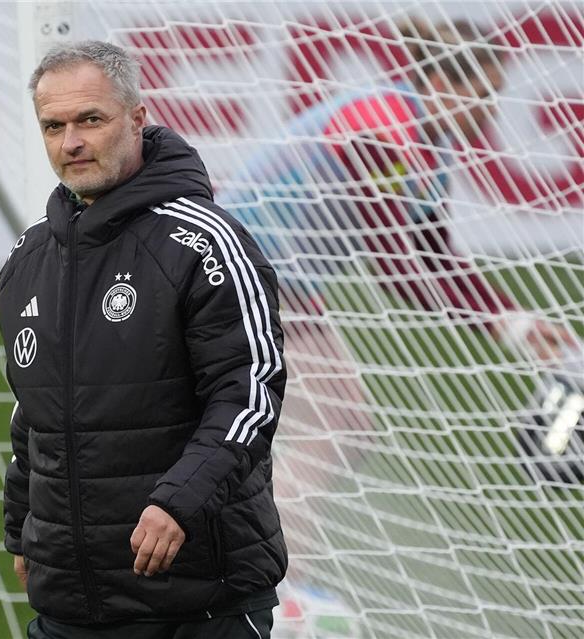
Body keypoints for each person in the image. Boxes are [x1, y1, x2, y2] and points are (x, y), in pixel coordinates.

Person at [220, 18, 577, 635]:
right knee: (331, 423)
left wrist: (513, 322)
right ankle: (273, 586)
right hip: (239, 284)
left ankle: (268, 569)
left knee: (341, 420)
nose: (489, 111)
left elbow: (434, 254)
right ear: (439, 81)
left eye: (495, 96)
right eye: (482, 94)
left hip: (281, 292)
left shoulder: (430, 146)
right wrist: (503, 324)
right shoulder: (381, 124)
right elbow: (392, 259)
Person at [0, 41, 287, 638]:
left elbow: (249, 393)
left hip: (198, 602)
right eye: (54, 126)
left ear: (137, 119)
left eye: (90, 120)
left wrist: (177, 502)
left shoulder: (205, 242)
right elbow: (36, 411)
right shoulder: (28, 258)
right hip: (72, 604)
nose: (71, 142)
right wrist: (24, 523)